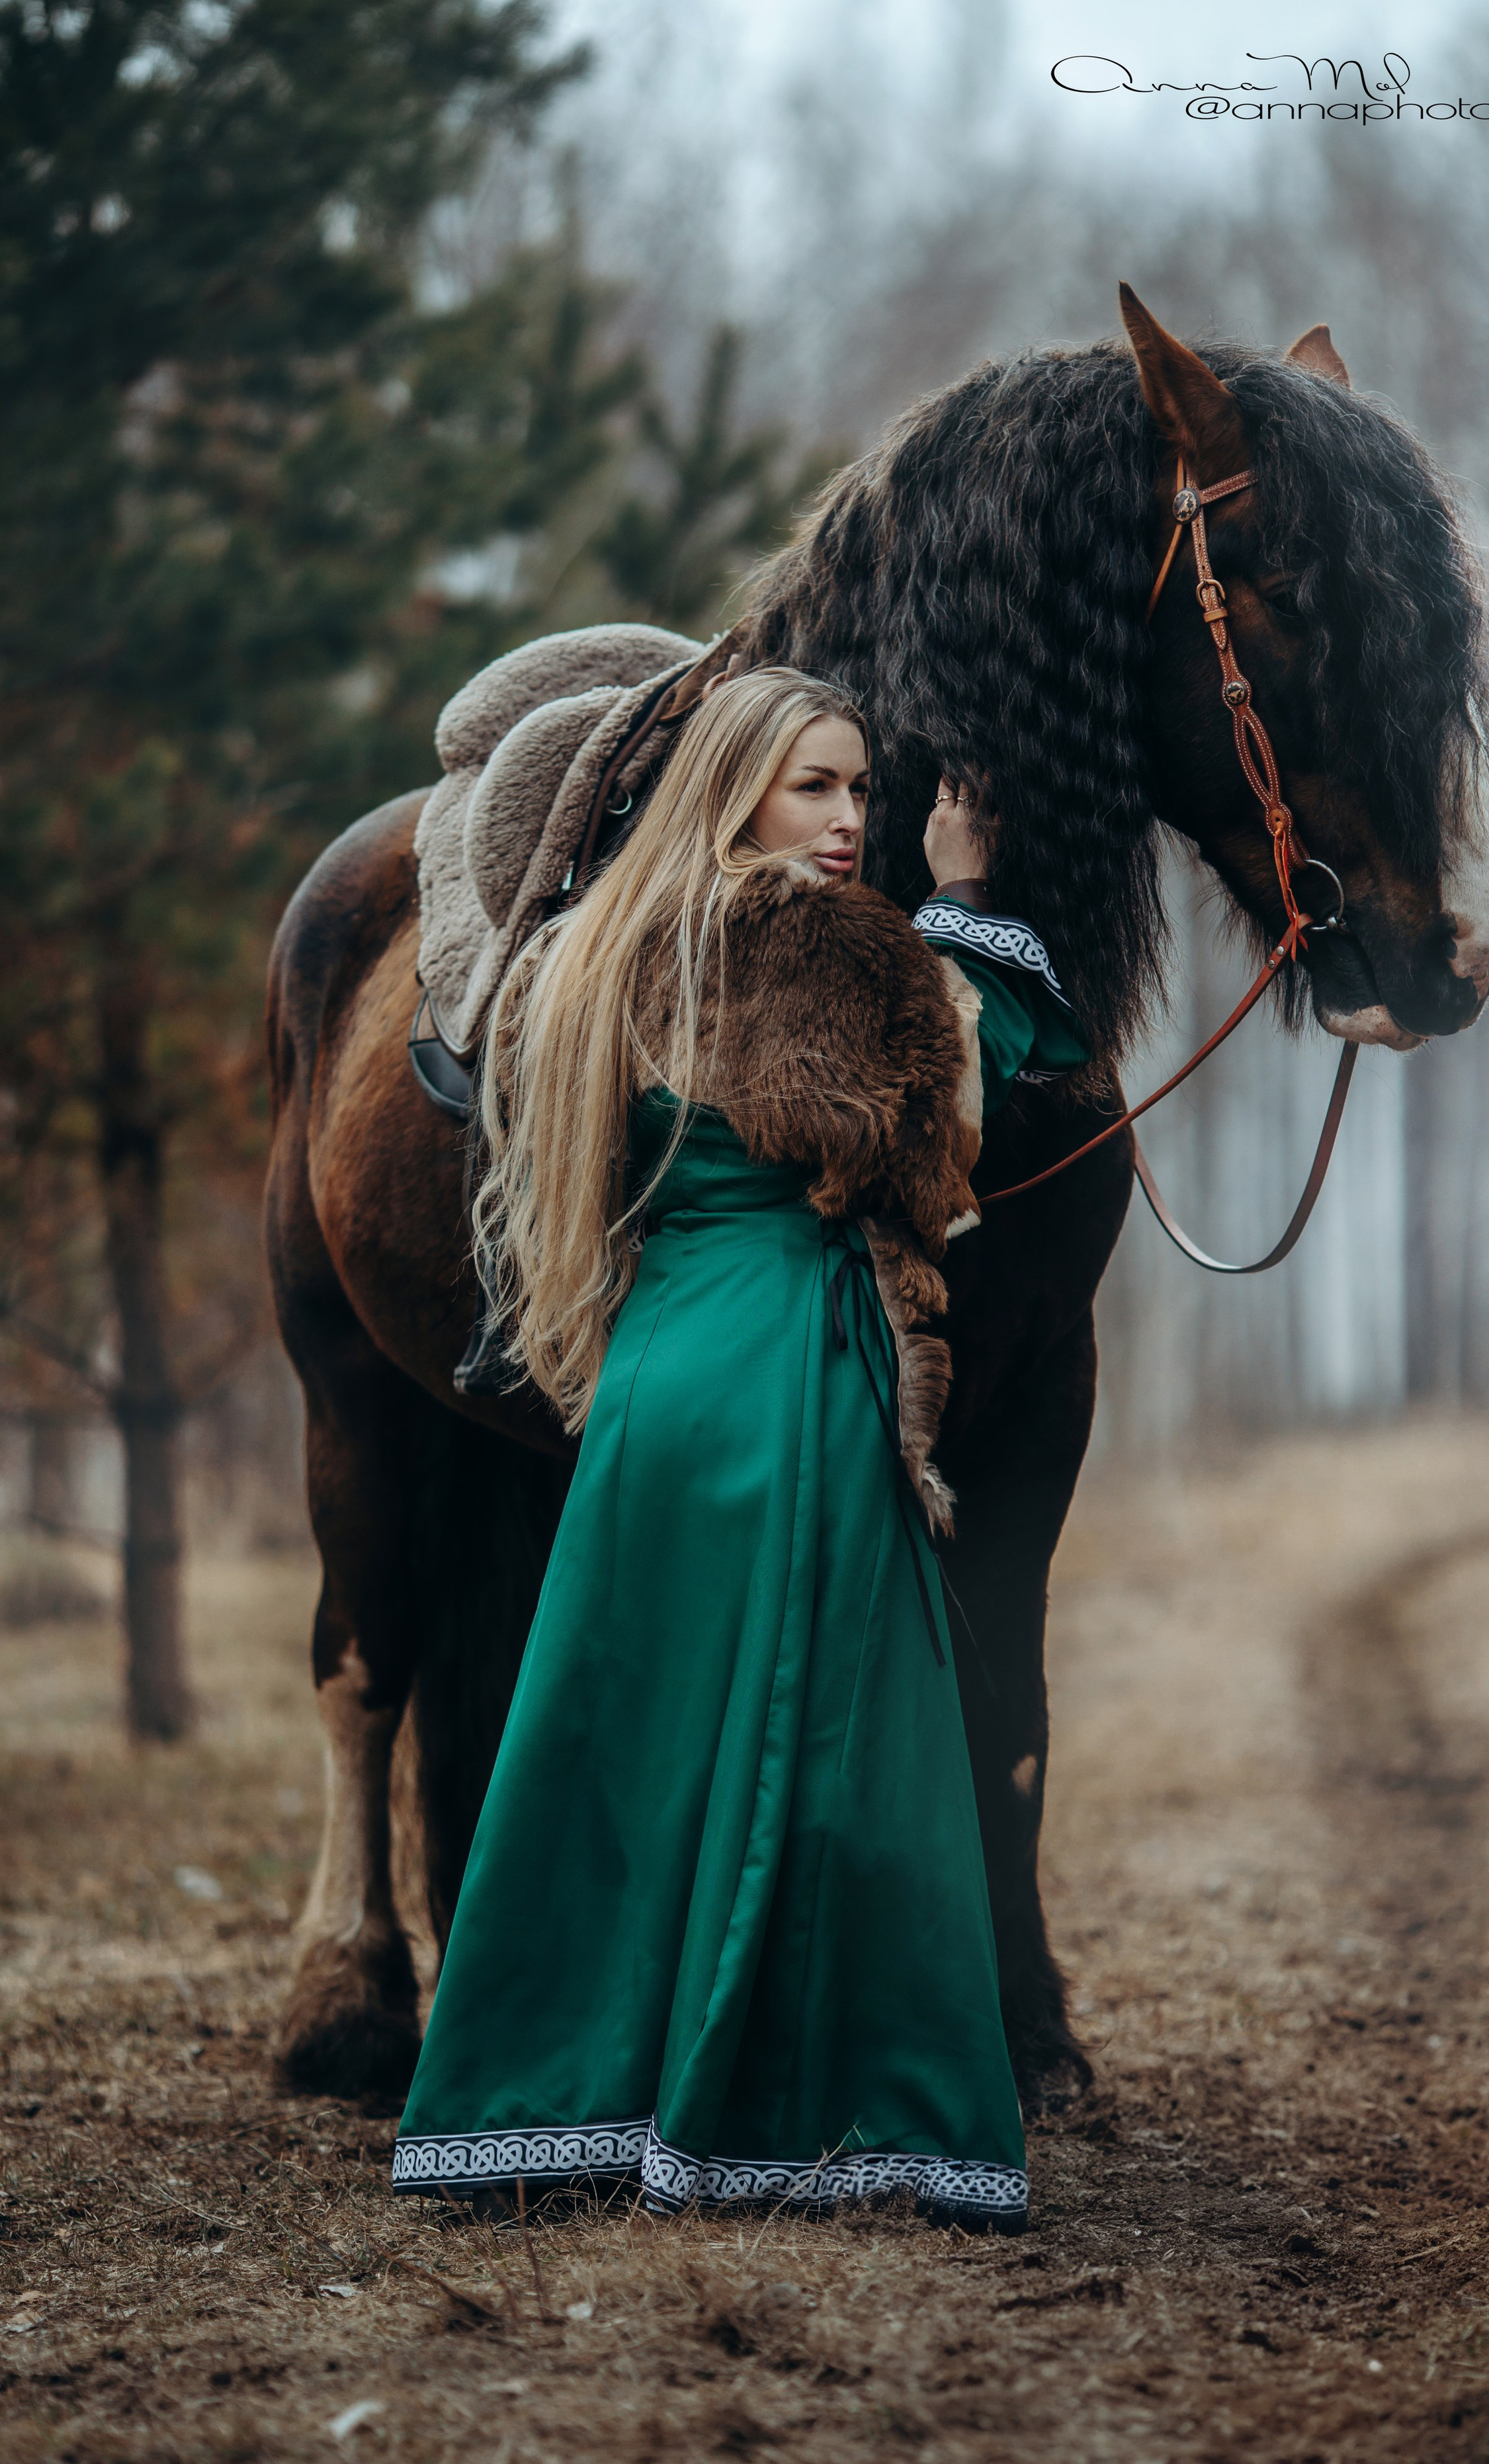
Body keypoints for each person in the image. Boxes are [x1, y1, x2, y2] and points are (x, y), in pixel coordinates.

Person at [391, 666, 1085, 2233]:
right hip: (792, 1366)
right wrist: (963, 900)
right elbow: (953, 1111)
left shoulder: (608, 944)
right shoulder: (828, 948)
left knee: (625, 1733)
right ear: (735, 789)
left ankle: (554, 2099)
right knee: (827, 1745)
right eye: (813, 786)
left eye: (860, 791)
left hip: (660, 1371)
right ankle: (797, 2106)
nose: (848, 822)